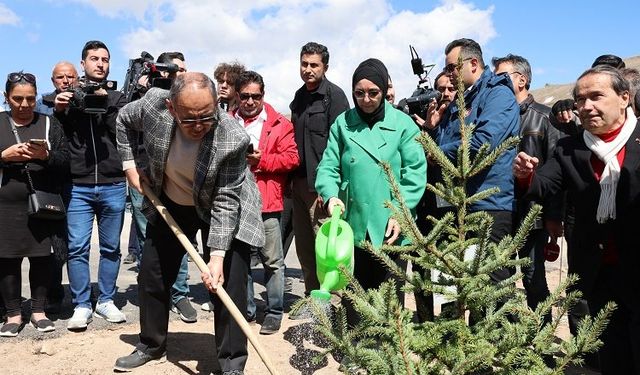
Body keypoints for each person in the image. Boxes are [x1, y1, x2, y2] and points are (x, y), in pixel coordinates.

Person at [114, 72, 264, 374]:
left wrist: (217, 257)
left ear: (217, 104)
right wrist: (129, 166)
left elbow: (225, 200)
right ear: (172, 108)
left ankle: (232, 362)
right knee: (152, 274)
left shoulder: (232, 137)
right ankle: (151, 344)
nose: (198, 127)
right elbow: (122, 122)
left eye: (206, 117)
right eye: (189, 119)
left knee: (228, 282)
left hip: (220, 203)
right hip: (171, 199)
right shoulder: (153, 105)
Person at [513, 65, 640, 375]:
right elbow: (543, 186)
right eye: (580, 99)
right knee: (610, 352)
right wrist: (526, 175)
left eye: (596, 96)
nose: (585, 106)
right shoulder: (570, 148)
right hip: (596, 271)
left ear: (624, 98)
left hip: (638, 267)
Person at [316, 58, 426, 323]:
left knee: (389, 295)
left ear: (384, 90)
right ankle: (356, 350)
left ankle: (389, 354)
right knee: (356, 292)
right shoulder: (343, 124)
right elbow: (329, 166)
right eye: (359, 93)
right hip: (353, 221)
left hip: (391, 224)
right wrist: (331, 195)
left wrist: (399, 212)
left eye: (373, 93)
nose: (366, 99)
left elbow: (414, 173)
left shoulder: (403, 125)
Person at [54, 40, 128, 330]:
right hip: (79, 186)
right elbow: (54, 127)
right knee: (77, 247)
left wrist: (105, 100)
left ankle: (107, 300)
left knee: (111, 248)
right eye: (94, 58)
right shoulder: (67, 97)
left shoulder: (119, 98)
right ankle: (82, 304)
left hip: (112, 182)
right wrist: (62, 106)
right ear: (82, 63)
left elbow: (121, 131)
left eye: (105, 59)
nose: (100, 63)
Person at [128, 51, 198, 323]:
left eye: (183, 69)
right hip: (146, 177)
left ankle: (179, 294)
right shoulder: (145, 95)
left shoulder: (189, 98)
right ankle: (156, 296)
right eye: (174, 70)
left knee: (180, 238)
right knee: (151, 240)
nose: (180, 74)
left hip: (178, 180)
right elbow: (125, 124)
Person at [492, 53, 562, 323]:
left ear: (520, 80)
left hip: (533, 214)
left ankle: (542, 341)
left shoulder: (544, 117)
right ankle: (510, 341)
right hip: (501, 211)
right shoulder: (497, 117)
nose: (495, 83)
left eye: (501, 77)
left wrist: (554, 217)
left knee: (534, 278)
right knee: (501, 279)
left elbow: (557, 171)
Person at [0, 71, 69, 336]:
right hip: (5, 205)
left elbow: (66, 161)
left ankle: (38, 312)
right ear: (7, 97)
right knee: (6, 259)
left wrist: (47, 155)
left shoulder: (49, 123)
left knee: (42, 258)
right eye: (18, 99)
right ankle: (13, 314)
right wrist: (4, 156)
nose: (24, 105)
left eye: (30, 99)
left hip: (42, 203)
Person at [232, 70, 299, 334]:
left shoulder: (280, 124)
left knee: (273, 261)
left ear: (263, 95)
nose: (250, 101)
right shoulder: (226, 121)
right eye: (245, 96)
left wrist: (262, 162)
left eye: (255, 96)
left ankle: (274, 311)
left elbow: (292, 159)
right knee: (241, 261)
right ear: (237, 96)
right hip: (235, 202)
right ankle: (246, 310)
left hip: (267, 202)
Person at [289, 41, 349, 296]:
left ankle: (335, 311)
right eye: (304, 64)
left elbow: (343, 145)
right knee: (305, 252)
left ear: (325, 66)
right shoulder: (299, 97)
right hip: (299, 186)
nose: (308, 70)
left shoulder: (334, 97)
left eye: (314, 65)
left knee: (329, 252)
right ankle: (315, 308)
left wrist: (331, 188)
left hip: (323, 189)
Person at [35, 61, 78, 314]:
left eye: (70, 76)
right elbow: (40, 128)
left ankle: (71, 293)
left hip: (79, 181)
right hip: (50, 181)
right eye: (60, 77)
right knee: (52, 242)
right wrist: (57, 110)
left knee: (73, 243)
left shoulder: (85, 100)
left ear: (78, 78)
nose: (66, 81)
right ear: (53, 81)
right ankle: (52, 291)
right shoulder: (43, 104)